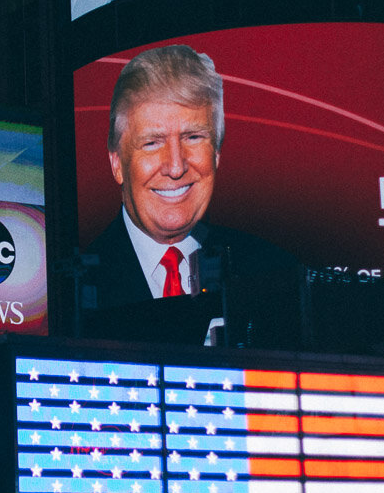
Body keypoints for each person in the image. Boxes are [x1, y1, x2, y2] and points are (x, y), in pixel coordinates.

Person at [81, 45, 303, 347]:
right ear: (117, 164)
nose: (175, 166)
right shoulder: (74, 289)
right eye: (152, 142)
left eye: (193, 137)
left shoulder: (276, 276)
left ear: (217, 153)